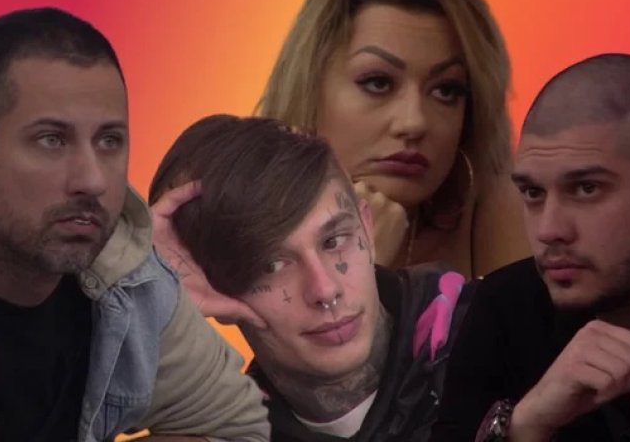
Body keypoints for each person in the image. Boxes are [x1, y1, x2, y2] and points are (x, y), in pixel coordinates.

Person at [0, 8, 268, 442]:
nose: (92, 180)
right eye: (52, 140)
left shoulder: (129, 276)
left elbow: (236, 424)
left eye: (109, 141)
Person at [148, 114, 476, 441]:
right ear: (212, 285)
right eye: (272, 265)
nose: (325, 290)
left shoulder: (492, 332)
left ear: (366, 228)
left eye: (333, 241)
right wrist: (144, 292)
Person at [430, 53, 630, 441]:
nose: (549, 230)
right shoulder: (504, 305)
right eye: (533, 193)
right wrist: (527, 423)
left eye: (586, 189)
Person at [256, 0, 529, 277]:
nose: (414, 122)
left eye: (446, 90)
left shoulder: (500, 208)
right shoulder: (243, 223)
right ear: (308, 88)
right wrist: (363, 264)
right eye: (378, 83)